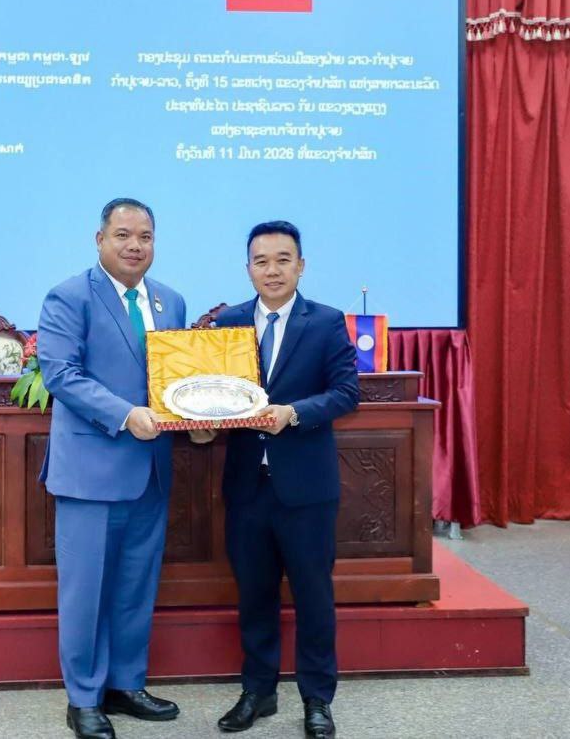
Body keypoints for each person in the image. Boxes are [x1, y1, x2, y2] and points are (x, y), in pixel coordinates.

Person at [37, 198, 187, 739]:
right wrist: (125, 414)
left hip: (151, 470)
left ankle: (126, 684)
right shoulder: (69, 296)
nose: (134, 245)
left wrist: (199, 418)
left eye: (145, 236)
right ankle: (83, 698)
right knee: (86, 593)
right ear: (99, 239)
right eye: (123, 234)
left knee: (134, 587)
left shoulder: (171, 301)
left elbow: (178, 381)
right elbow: (61, 374)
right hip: (91, 473)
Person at [212, 221, 358, 738]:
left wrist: (294, 413)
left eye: (282, 260)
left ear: (301, 265)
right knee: (254, 594)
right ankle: (258, 691)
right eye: (261, 261)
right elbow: (211, 391)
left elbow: (346, 393)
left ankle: (317, 698)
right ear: (248, 268)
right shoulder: (227, 322)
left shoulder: (326, 322)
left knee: (314, 596)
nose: (271, 270)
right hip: (247, 485)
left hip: (306, 488)